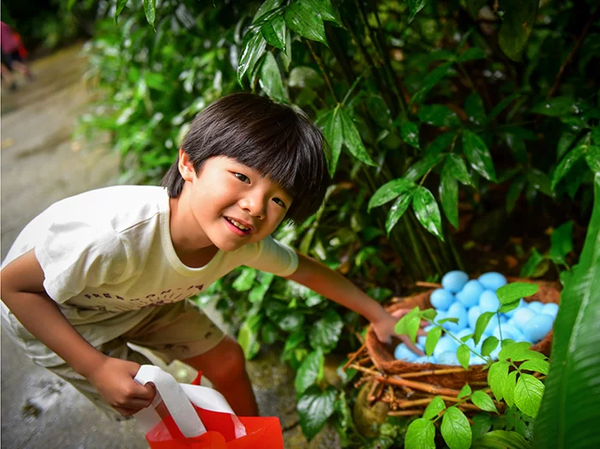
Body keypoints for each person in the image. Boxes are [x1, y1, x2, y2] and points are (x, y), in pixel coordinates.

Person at [1, 93, 422, 421]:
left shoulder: (244, 242)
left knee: (227, 359)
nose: (256, 207)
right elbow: (12, 286)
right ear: (189, 163)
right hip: (59, 312)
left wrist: (378, 314)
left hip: (142, 300)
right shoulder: (114, 236)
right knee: (158, 406)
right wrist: (94, 367)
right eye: (241, 177)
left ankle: (250, 443)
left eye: (277, 200)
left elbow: (306, 270)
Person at [1, 21, 32, 91]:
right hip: (15, 44)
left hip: (7, 49)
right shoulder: (2, 24)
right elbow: (11, 31)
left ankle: (24, 69)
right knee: (20, 60)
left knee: (12, 64)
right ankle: (29, 77)